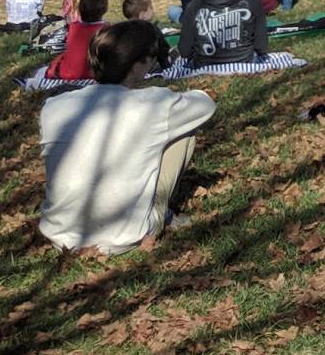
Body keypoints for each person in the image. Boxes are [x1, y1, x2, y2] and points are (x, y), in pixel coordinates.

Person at [38, 21, 217, 255]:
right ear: (137, 65)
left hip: (59, 235)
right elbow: (205, 105)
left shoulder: (53, 106)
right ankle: (159, 214)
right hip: (125, 236)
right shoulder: (155, 104)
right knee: (184, 130)